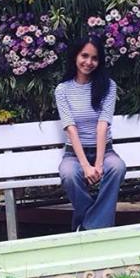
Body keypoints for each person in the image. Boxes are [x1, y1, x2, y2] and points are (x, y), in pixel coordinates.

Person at [54, 34, 126, 231]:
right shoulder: (62, 90)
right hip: (74, 154)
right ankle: (97, 224)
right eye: (84, 56)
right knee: (69, 174)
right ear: (75, 56)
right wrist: (86, 166)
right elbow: (71, 129)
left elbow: (103, 126)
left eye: (94, 58)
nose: (88, 62)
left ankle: (87, 226)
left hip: (105, 151)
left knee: (117, 168)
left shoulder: (108, 86)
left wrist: (99, 164)